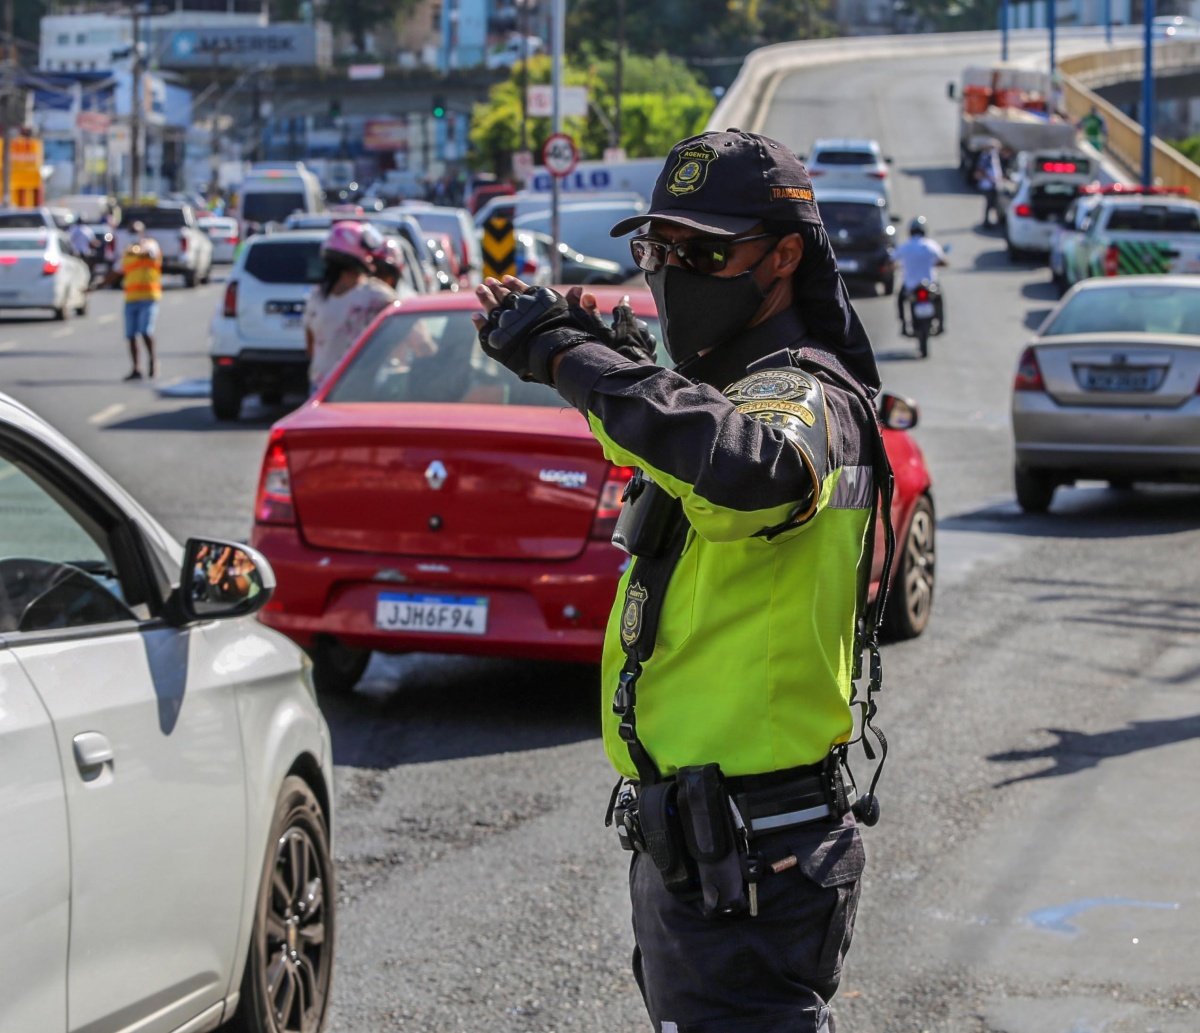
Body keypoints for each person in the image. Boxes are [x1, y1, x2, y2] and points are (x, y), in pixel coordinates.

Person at [474, 129, 894, 1033]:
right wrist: (612, 359)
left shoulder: (806, 393)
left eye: (704, 251)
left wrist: (571, 358)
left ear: (785, 257)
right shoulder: (734, 390)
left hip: (754, 851)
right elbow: (686, 440)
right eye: (659, 248)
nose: (673, 270)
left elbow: (747, 471)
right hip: (707, 846)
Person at [302, 221, 396, 393]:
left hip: (321, 388)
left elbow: (311, 346)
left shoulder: (316, 297)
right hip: (362, 389)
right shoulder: (377, 296)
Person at [96, 220, 162, 380]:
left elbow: (150, 252)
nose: (133, 235)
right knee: (131, 335)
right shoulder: (127, 253)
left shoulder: (151, 246)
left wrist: (138, 246)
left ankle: (153, 362)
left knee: (146, 331)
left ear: (142, 233)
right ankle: (136, 368)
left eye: (136, 231)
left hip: (149, 297)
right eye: (130, 232)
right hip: (131, 298)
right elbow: (117, 271)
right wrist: (98, 285)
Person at [893, 215, 948, 336]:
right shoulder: (931, 245)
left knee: (900, 300)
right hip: (930, 284)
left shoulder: (905, 246)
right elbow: (943, 261)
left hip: (910, 285)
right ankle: (941, 324)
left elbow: (892, 260)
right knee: (939, 299)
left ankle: (903, 325)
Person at [974, 142, 1004, 227]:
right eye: (993, 148)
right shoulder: (985, 157)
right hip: (988, 184)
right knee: (990, 203)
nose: (995, 150)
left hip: (994, 183)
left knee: (994, 203)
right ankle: (986, 221)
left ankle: (994, 220)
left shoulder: (994, 157)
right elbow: (981, 170)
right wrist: (991, 179)